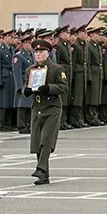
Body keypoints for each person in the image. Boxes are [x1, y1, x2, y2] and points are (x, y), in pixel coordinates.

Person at [24, 38, 69, 186]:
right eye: (36, 52)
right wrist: (26, 90)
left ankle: (40, 168)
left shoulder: (57, 69)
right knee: (37, 142)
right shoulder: (30, 70)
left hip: (52, 108)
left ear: (48, 53)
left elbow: (63, 88)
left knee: (46, 140)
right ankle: (44, 175)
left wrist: (49, 88)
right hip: (37, 108)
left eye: (41, 51)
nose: (38, 54)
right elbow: (26, 87)